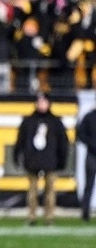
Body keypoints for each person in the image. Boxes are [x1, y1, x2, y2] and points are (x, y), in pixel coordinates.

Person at [12, 92, 69, 225]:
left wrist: (62, 160)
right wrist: (17, 155)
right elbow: (20, 140)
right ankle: (31, 216)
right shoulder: (28, 121)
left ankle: (49, 217)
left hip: (51, 161)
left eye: (44, 102)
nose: (41, 105)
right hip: (32, 160)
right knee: (32, 191)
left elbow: (63, 143)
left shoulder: (55, 122)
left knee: (50, 191)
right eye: (39, 102)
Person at [76, 104, 96, 222]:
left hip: (91, 153)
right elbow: (80, 133)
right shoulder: (89, 117)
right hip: (92, 155)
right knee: (89, 184)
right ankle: (85, 212)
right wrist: (91, 144)